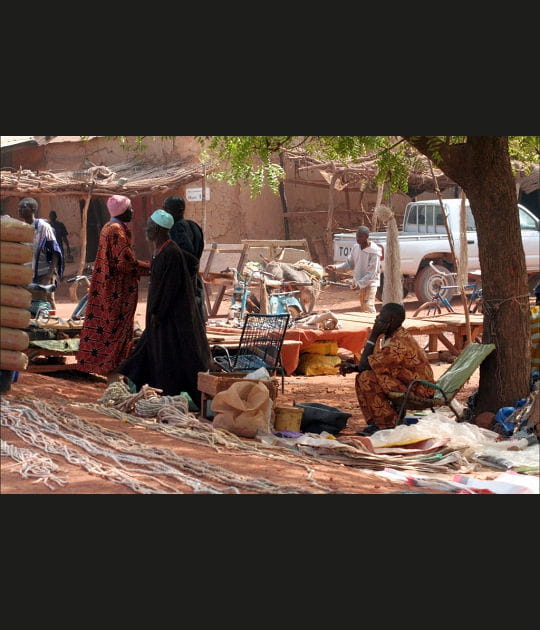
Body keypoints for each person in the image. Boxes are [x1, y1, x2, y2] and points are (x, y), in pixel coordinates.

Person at [117, 209, 211, 408]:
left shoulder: (170, 253)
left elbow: (168, 288)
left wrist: (158, 313)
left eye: (150, 225)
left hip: (170, 319)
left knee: (174, 358)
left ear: (158, 229)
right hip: (160, 318)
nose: (146, 228)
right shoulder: (162, 252)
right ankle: (134, 384)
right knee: (148, 353)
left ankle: (188, 400)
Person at [76, 195, 150, 382]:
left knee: (107, 328)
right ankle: (113, 369)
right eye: (130, 208)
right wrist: (152, 267)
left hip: (108, 289)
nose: (133, 211)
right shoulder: (116, 231)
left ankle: (109, 368)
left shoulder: (108, 228)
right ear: (123, 211)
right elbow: (124, 264)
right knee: (115, 330)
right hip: (116, 293)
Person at [340, 302, 435, 435]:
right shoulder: (393, 336)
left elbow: (365, 366)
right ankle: (378, 423)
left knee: (366, 378)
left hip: (419, 389)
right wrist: (354, 367)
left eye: (380, 316)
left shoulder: (398, 343)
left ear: (390, 321)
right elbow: (376, 365)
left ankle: (387, 424)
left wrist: (373, 336)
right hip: (409, 383)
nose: (376, 318)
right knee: (364, 375)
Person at [163, 195, 207, 323]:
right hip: (194, 279)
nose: (164, 212)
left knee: (186, 321)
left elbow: (186, 255)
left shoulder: (176, 228)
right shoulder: (193, 226)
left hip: (183, 281)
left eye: (166, 208)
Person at [18, 197, 64, 312]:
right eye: (18, 207)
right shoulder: (21, 228)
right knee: (32, 303)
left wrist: (48, 276)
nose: (19, 210)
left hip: (44, 272)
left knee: (47, 301)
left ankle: (53, 327)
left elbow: (55, 252)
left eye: (23, 207)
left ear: (33, 209)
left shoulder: (43, 227)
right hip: (29, 272)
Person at [326, 225, 382, 313]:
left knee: (369, 305)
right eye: (357, 236)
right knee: (363, 307)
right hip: (360, 281)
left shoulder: (374, 252)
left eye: (360, 237)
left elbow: (372, 273)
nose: (357, 239)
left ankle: (374, 324)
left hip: (371, 282)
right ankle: (366, 325)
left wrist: (359, 284)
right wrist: (335, 267)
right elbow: (348, 264)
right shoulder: (356, 248)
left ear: (366, 237)